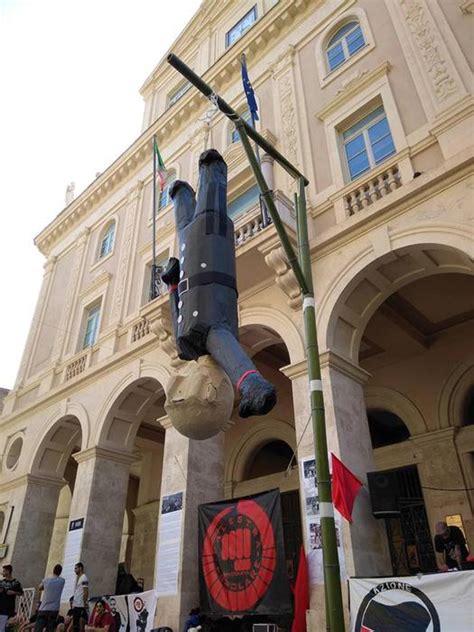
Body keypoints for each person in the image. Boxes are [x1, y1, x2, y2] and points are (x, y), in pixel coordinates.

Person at [35, 564, 65, 632]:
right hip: (54, 609)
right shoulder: (62, 581)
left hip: (44, 608)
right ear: (60, 572)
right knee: (50, 629)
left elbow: (40, 587)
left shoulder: (46, 580)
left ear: (53, 570)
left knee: (38, 628)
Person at [0, 564, 23, 632]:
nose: (2, 573)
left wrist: (13, 592)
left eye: (4, 571)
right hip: (0, 607)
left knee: (3, 628)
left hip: (8, 609)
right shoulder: (1, 582)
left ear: (8, 571)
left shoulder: (16, 583)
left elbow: (21, 593)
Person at [72, 563, 89, 632]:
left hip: (80, 606)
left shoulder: (84, 578)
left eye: (76, 568)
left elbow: (86, 591)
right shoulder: (80, 578)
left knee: (78, 626)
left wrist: (85, 603)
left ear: (80, 568)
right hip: (76, 605)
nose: (75, 570)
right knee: (75, 625)